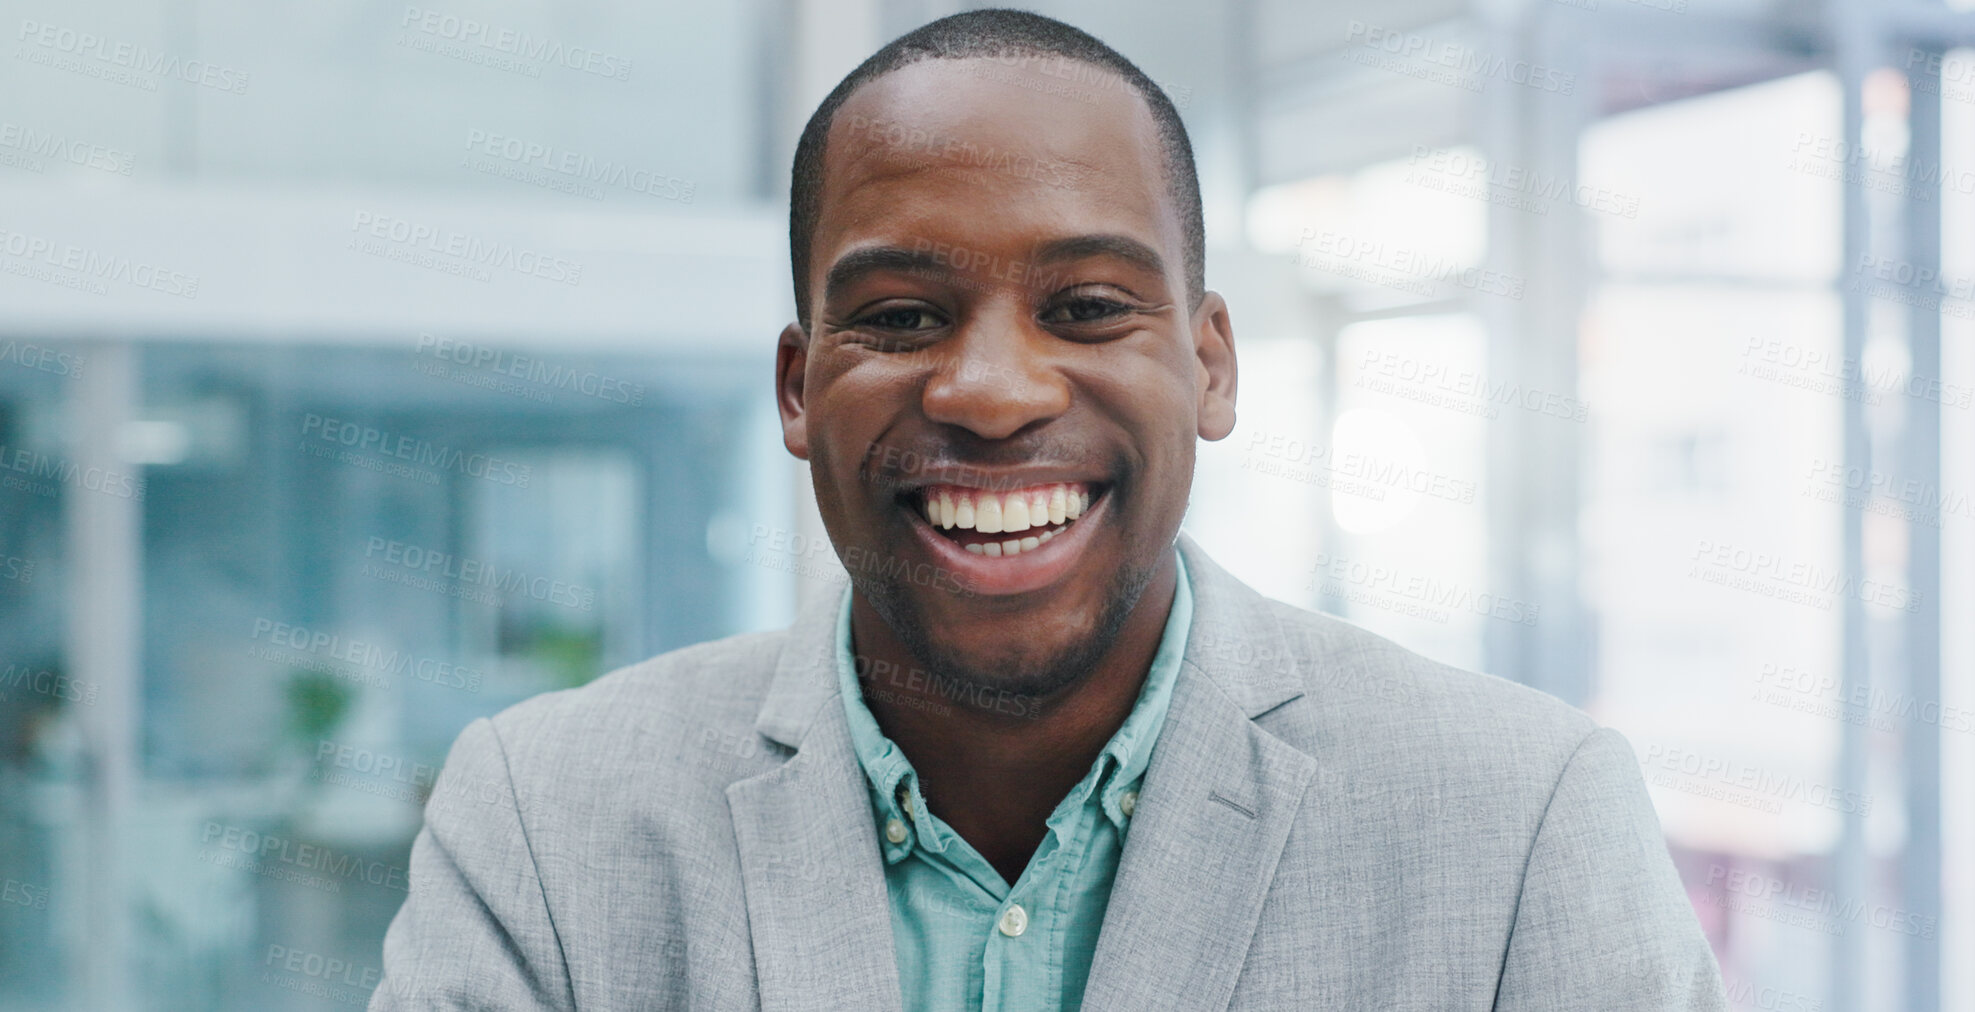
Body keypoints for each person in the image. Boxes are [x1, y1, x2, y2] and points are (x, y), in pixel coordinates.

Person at [372, 9, 1726, 1010]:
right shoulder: (547, 823)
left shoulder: (1520, 824)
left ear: (1209, 365)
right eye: (902, 316)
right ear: (798, 390)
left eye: (1086, 307)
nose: (992, 392)